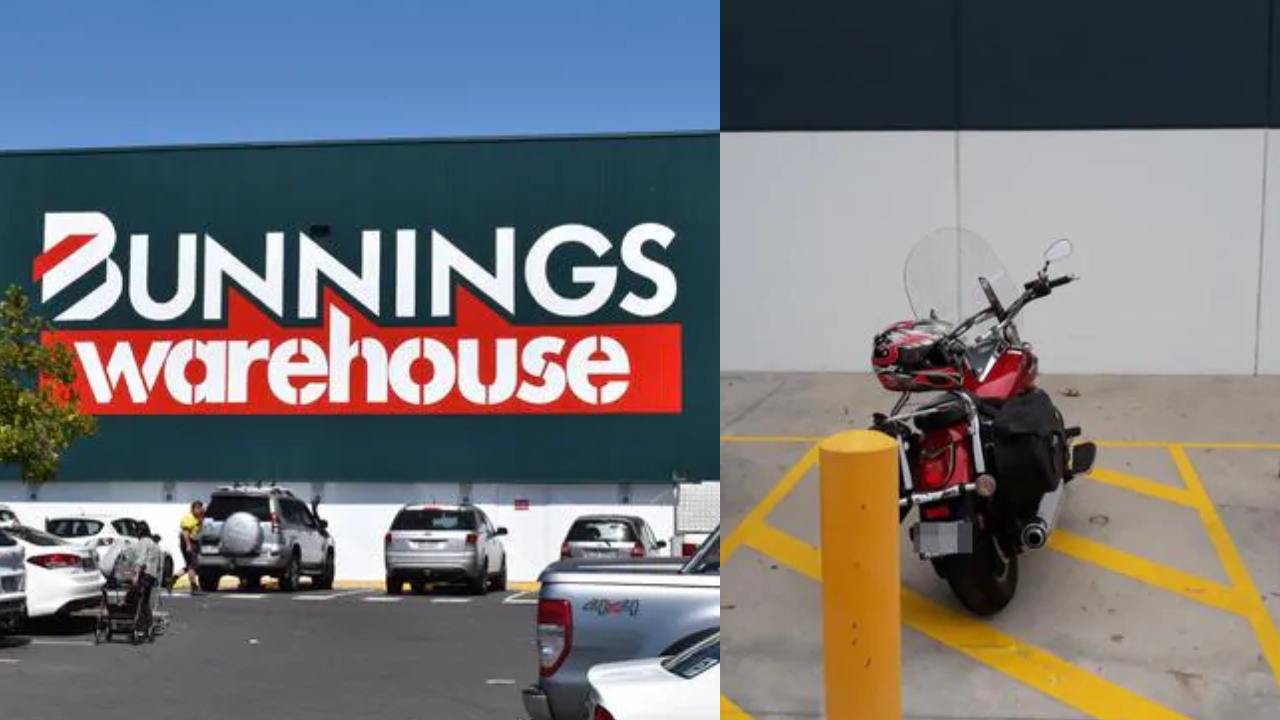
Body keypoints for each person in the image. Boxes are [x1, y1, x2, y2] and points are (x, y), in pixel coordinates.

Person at [178, 501, 205, 593]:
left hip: (195, 541)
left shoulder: (200, 517)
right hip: (187, 541)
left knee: (193, 565)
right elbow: (185, 533)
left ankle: (173, 579)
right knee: (192, 566)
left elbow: (199, 531)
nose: (199, 510)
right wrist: (188, 545)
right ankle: (193, 586)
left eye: (200, 508)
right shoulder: (188, 518)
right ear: (192, 509)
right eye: (197, 508)